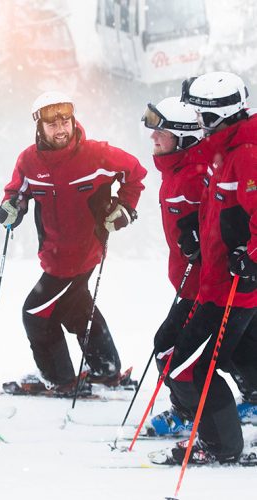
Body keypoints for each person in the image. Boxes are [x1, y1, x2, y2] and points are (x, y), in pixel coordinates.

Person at [0, 91, 147, 395]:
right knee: (75, 308)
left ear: (73, 120)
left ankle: (60, 379)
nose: (61, 129)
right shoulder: (29, 161)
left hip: (81, 252)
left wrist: (125, 208)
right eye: (52, 124)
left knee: (35, 315)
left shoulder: (97, 155)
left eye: (65, 121)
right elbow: (18, 192)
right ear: (40, 127)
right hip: (53, 253)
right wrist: (12, 206)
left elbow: (135, 175)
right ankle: (106, 370)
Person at [151, 72, 257, 466]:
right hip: (214, 282)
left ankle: (222, 446)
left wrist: (251, 257)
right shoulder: (223, 150)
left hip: (232, 288)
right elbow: (221, 211)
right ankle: (218, 429)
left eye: (199, 114)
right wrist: (194, 232)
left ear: (216, 117)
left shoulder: (246, 154)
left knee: (187, 368)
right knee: (210, 361)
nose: (195, 121)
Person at [142, 97, 207, 435]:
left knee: (169, 349)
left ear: (183, 138)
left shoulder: (197, 175)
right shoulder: (176, 171)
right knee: (240, 350)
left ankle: (191, 413)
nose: (153, 137)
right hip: (190, 283)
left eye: (161, 133)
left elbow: (231, 217)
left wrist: (202, 236)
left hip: (207, 287)